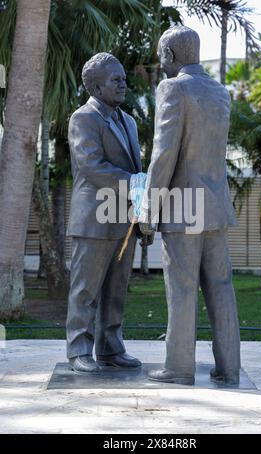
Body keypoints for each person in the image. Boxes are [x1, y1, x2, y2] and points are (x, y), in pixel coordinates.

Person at [139, 27, 241, 386]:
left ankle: (179, 368)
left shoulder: (173, 88)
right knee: (221, 287)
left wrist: (147, 212)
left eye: (160, 55)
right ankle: (229, 369)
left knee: (182, 289)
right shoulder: (219, 91)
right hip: (216, 208)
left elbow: (164, 156)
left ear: (169, 55)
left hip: (184, 208)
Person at [66, 52, 151, 374]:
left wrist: (142, 214)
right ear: (96, 86)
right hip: (93, 217)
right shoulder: (83, 118)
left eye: (123, 79)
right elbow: (91, 166)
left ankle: (111, 349)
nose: (123, 84)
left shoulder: (127, 121)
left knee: (116, 290)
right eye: (116, 80)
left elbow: (137, 171)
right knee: (85, 289)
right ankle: (78, 351)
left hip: (123, 218)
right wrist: (134, 182)